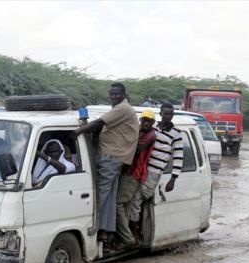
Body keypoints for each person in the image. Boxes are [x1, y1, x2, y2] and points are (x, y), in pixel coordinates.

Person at [71, 82, 139, 243]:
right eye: (112, 94)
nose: (113, 96)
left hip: (111, 156)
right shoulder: (120, 109)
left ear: (124, 95)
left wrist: (78, 132)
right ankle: (106, 231)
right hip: (115, 157)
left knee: (99, 195)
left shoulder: (123, 108)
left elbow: (99, 123)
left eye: (116, 94)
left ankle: (92, 228)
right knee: (108, 196)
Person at [127, 103, 182, 227]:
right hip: (141, 167)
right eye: (166, 114)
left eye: (171, 114)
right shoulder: (153, 128)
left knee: (137, 199)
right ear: (161, 114)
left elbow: (179, 157)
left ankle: (134, 231)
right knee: (130, 198)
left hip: (154, 171)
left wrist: (173, 179)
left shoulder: (176, 134)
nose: (168, 116)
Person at [115, 110, 156, 247]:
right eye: (143, 120)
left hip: (134, 172)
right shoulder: (139, 131)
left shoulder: (150, 135)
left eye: (148, 121)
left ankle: (127, 238)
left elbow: (136, 148)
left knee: (118, 204)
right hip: (127, 170)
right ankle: (124, 236)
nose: (145, 123)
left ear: (152, 123)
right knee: (125, 204)